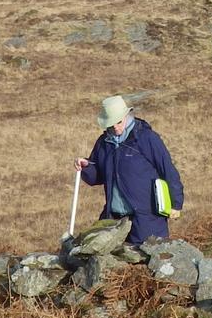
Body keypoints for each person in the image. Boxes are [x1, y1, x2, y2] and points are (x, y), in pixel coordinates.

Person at [76, 95, 184, 245]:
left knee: (148, 262)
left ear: (127, 116)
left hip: (147, 218)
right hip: (114, 218)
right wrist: (86, 167)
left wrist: (176, 203)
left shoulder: (146, 138)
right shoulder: (103, 143)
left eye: (118, 122)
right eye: (111, 124)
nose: (115, 127)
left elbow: (167, 170)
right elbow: (97, 177)